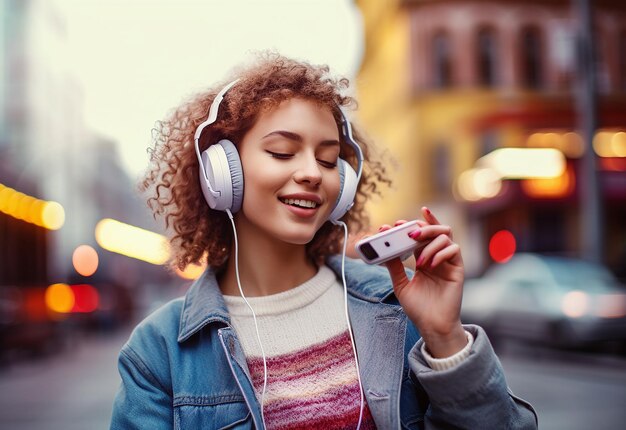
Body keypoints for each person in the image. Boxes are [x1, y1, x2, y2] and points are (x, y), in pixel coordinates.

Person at [110, 52, 538, 429]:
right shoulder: (159, 352)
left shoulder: (397, 310)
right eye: (282, 152)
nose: (313, 173)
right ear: (221, 174)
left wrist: (445, 339)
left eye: (329, 159)